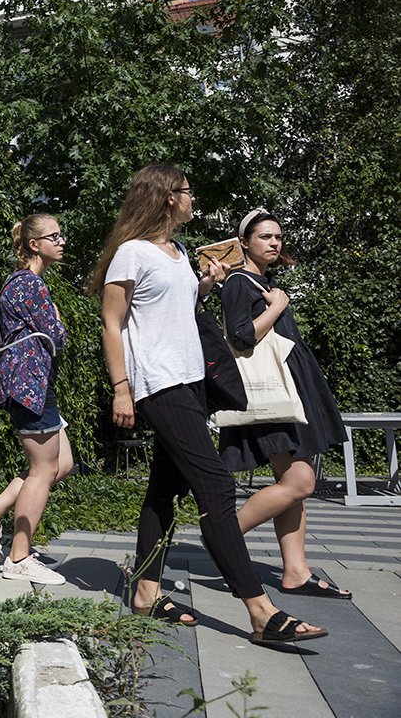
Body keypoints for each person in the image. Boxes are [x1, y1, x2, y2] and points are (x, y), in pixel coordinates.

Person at [93, 163, 326, 645]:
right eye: (187, 190)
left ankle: (146, 593)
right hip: (157, 385)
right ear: (165, 198)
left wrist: (204, 285)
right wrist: (121, 387)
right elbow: (112, 324)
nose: (193, 198)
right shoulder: (131, 254)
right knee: (216, 488)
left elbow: (176, 312)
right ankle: (260, 612)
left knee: (164, 490)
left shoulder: (179, 252)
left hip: (192, 381)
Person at [221, 210, 351, 598]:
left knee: (293, 482)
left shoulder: (265, 281)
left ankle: (295, 571)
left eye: (278, 237)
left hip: (290, 394)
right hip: (271, 396)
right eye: (264, 237)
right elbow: (240, 338)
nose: (274, 243)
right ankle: (223, 536)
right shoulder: (239, 284)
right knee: (300, 482)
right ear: (244, 242)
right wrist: (277, 307)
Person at [0, 215, 74, 585]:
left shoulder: (25, 283)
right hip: (29, 385)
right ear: (34, 244)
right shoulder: (30, 285)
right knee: (43, 470)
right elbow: (56, 337)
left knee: (62, 464)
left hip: (34, 383)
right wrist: (58, 321)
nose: (61, 241)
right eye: (54, 236)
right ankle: (19, 556)